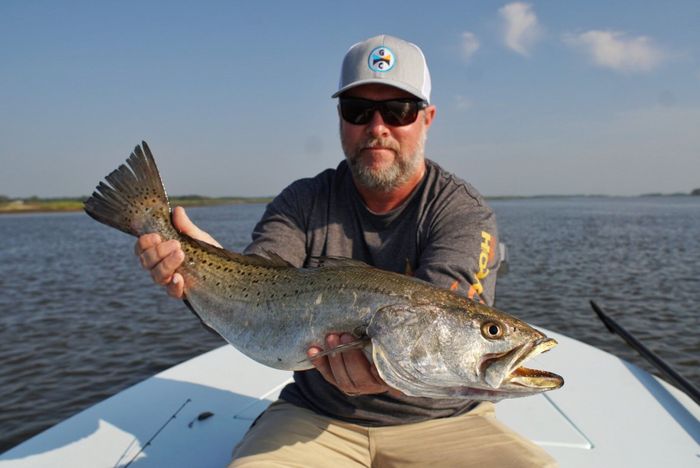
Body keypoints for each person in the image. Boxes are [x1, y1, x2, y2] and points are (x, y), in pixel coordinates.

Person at [135, 35, 557, 467]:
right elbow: (256, 289)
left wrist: (388, 369)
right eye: (358, 110)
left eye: (398, 111)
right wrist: (195, 268)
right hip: (317, 417)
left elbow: (431, 330)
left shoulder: (461, 212)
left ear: (427, 119)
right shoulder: (301, 202)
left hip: (448, 419)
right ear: (340, 118)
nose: (377, 127)